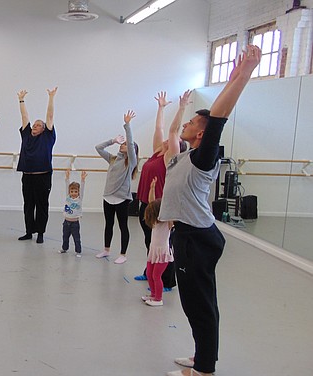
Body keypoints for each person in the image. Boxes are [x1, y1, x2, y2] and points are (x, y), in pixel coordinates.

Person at [162, 45, 262, 376]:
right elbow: (171, 136)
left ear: (201, 133)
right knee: (196, 305)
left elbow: (218, 117)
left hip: (197, 239)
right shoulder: (182, 157)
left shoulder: (205, 158)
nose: (187, 124)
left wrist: (243, 76)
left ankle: (204, 369)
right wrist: (176, 109)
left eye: (192, 121)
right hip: (187, 235)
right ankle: (201, 356)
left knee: (200, 306)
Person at [133, 91, 185, 289]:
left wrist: (181, 108)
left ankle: (167, 281)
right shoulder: (157, 152)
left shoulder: (169, 157)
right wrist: (161, 108)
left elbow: (172, 131)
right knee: (150, 241)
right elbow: (159, 128)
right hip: (146, 202)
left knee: (164, 245)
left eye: (173, 141)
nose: (167, 140)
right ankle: (151, 273)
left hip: (160, 205)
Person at [94, 111, 139, 264]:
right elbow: (98, 147)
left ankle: (123, 254)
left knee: (123, 226)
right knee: (109, 224)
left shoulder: (131, 162)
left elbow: (131, 145)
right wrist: (113, 140)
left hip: (121, 198)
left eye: (125, 144)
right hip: (108, 197)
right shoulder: (113, 159)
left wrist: (127, 125)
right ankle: (106, 250)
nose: (123, 145)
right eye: (123, 143)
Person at [16, 87, 57, 244]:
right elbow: (24, 116)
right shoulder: (26, 134)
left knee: (41, 205)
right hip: (27, 176)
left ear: (44, 128)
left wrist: (51, 97)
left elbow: (50, 116)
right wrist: (21, 100)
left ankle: (40, 232)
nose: (35, 125)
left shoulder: (47, 136)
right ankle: (28, 232)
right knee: (28, 205)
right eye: (34, 124)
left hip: (43, 176)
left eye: (39, 125)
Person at [141, 177, 174, 307]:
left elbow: (169, 210)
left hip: (162, 252)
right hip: (153, 250)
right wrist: (152, 188)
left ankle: (158, 298)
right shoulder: (155, 222)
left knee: (156, 275)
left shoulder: (167, 222)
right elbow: (151, 202)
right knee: (149, 273)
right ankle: (153, 294)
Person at [59, 170, 87, 257]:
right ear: (69, 192)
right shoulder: (68, 197)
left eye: (75, 192)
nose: (73, 193)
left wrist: (82, 180)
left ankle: (78, 251)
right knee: (65, 237)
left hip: (75, 223)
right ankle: (64, 248)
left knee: (76, 238)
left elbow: (82, 188)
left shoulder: (79, 198)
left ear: (78, 192)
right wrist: (67, 177)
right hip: (66, 222)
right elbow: (67, 185)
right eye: (72, 191)